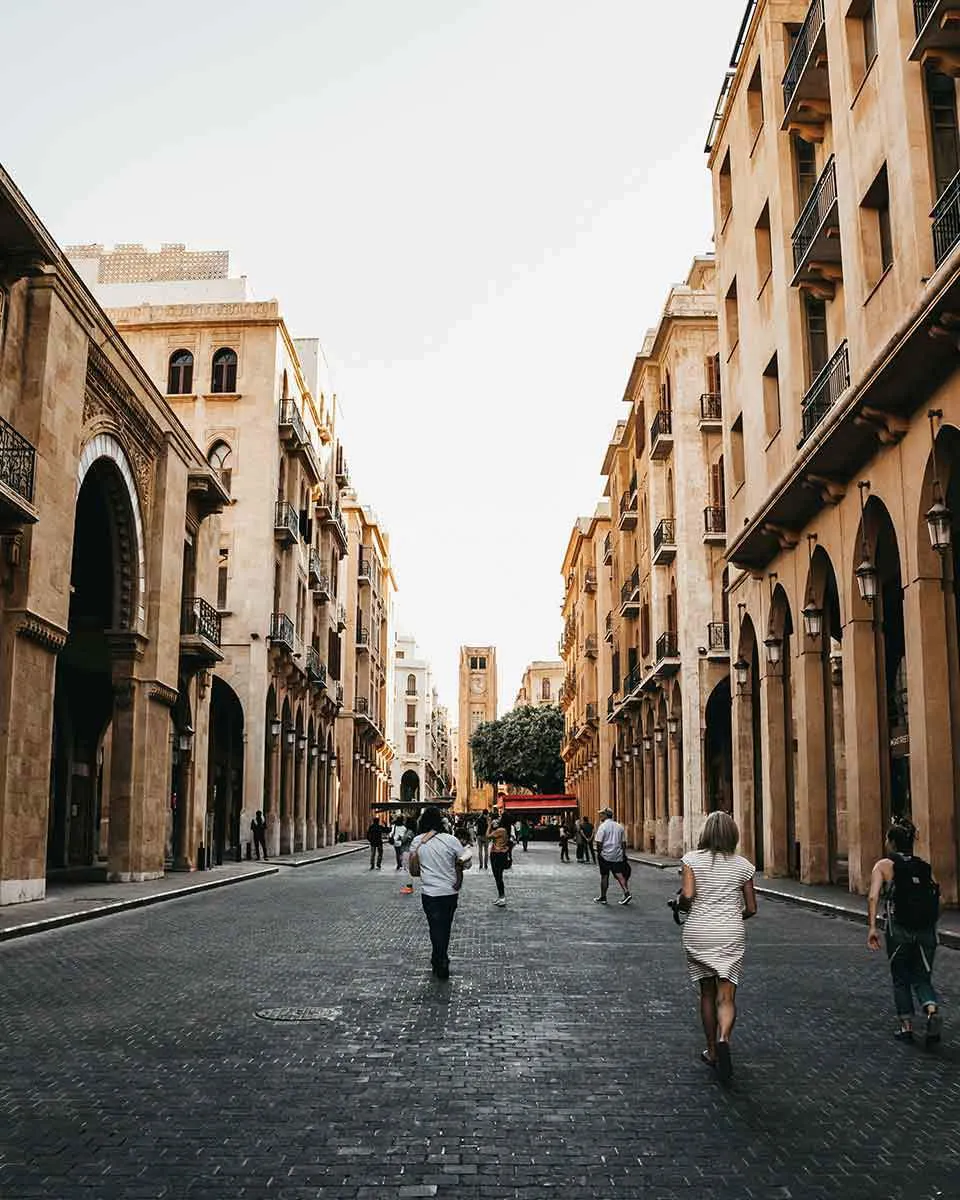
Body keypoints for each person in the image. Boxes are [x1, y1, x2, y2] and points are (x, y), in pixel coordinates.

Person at [678, 811, 757, 1083]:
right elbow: (751, 908)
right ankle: (725, 1037)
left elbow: (687, 896)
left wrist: (678, 904)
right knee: (727, 994)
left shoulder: (691, 860)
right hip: (730, 933)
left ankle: (712, 1051)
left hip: (699, 930)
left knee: (706, 993)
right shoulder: (743, 866)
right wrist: (733, 917)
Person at [867, 817, 942, 1044]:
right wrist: (930, 922)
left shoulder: (883, 866)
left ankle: (906, 1026)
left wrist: (872, 928)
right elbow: (939, 898)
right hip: (926, 930)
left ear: (891, 842)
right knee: (922, 977)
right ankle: (931, 1009)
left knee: (900, 977)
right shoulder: (924, 866)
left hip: (898, 929)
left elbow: (873, 896)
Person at [408, 806, 472, 979]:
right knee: (446, 925)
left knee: (434, 926)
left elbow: (412, 867)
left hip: (429, 892)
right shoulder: (451, 840)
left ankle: (439, 958)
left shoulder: (418, 841)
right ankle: (441, 957)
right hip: (450, 891)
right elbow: (467, 863)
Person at [593, 807, 632, 906]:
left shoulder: (603, 826)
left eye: (602, 814)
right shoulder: (619, 826)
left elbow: (599, 842)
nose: (600, 816)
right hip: (617, 855)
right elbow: (623, 843)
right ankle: (626, 892)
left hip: (605, 855)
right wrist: (623, 854)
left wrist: (599, 853)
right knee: (619, 874)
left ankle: (603, 897)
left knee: (604, 876)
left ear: (606, 815)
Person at [489, 819, 512, 907]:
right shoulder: (503, 830)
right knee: (498, 877)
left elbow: (487, 835)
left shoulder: (500, 830)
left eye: (497, 822)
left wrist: (488, 825)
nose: (494, 823)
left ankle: (502, 897)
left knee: (498, 877)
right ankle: (500, 896)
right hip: (500, 854)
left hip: (497, 855)